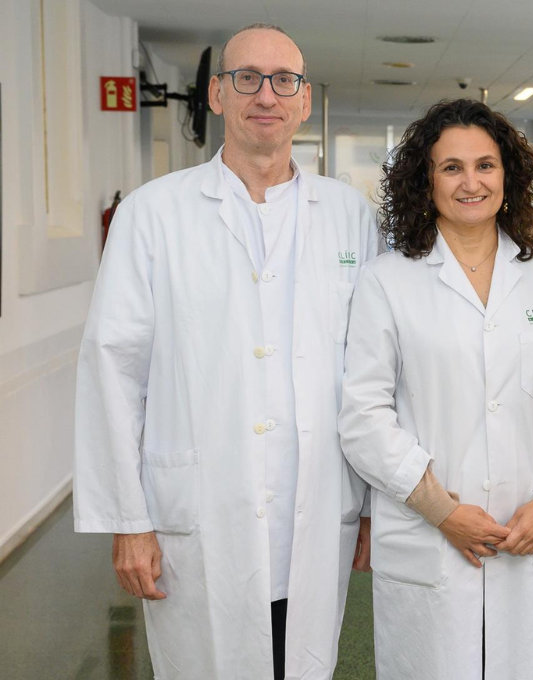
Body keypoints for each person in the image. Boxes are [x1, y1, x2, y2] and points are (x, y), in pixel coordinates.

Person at [73, 24, 378, 680]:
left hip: (318, 508)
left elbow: (372, 371)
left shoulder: (350, 217)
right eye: (247, 78)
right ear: (216, 94)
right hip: (199, 513)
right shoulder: (154, 215)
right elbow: (113, 367)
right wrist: (129, 519)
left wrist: (376, 507)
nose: (265, 95)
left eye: (284, 81)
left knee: (302, 663)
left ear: (303, 98)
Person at [338, 98, 533, 680]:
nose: (470, 182)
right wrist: (443, 511)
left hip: (526, 533)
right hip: (430, 539)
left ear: (508, 175)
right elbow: (363, 416)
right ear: (424, 180)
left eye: (485, 165)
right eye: (450, 167)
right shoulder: (388, 280)